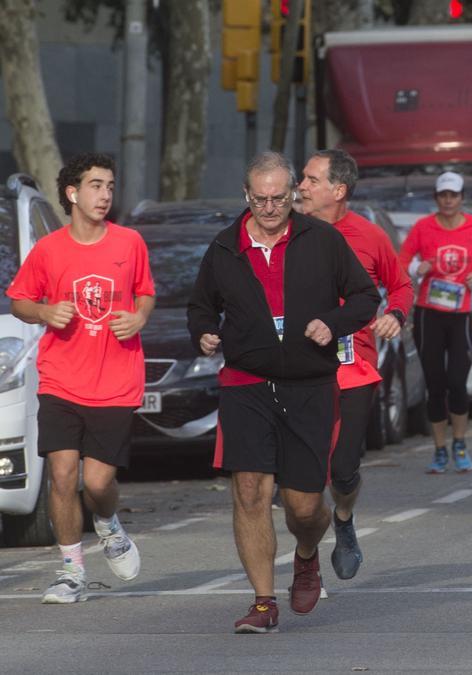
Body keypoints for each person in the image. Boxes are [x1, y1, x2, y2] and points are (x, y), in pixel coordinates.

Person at [188, 151, 379, 633]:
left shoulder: (323, 241)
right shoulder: (225, 247)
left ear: (292, 194)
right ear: (246, 196)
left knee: (305, 506)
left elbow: (364, 298)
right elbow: (200, 307)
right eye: (260, 199)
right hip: (245, 383)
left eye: (279, 198)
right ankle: (261, 601)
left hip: (309, 384)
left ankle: (308, 552)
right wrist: (205, 333)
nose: (270, 208)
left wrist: (331, 324)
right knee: (249, 491)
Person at [7, 153, 155, 604]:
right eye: (95, 185)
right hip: (61, 379)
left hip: (115, 380)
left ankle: (108, 525)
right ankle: (71, 570)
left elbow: (146, 293)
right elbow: (18, 301)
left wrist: (139, 318)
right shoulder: (49, 250)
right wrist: (45, 311)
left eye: (110, 185)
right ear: (72, 193)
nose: (105, 194)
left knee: (96, 484)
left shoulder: (130, 243)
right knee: (62, 474)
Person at [298, 149, 413, 580]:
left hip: (354, 367)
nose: (301, 187)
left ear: (338, 190)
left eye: (311, 180)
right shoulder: (289, 233)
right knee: (304, 476)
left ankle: (343, 520)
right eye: (303, 179)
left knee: (343, 471)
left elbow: (400, 285)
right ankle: (305, 557)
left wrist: (394, 315)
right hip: (302, 367)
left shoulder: (368, 236)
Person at [397, 171, 472, 473]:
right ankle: (439, 449)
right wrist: (417, 266)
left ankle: (459, 443)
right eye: (443, 195)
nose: (449, 200)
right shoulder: (423, 227)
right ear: (437, 199)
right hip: (430, 312)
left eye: (454, 195)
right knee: (435, 384)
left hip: (463, 313)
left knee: (457, 383)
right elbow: (402, 260)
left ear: (462, 198)